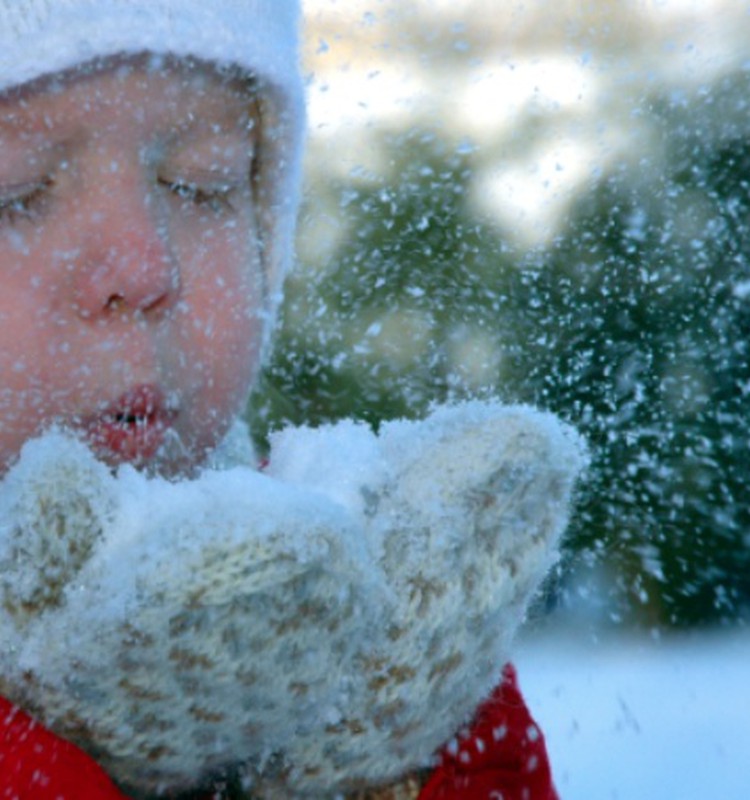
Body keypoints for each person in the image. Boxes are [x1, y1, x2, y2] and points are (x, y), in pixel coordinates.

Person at [0, 2, 562, 798]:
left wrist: (404, 755)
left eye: (202, 183)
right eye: (15, 194)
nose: (144, 266)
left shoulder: (352, 621)